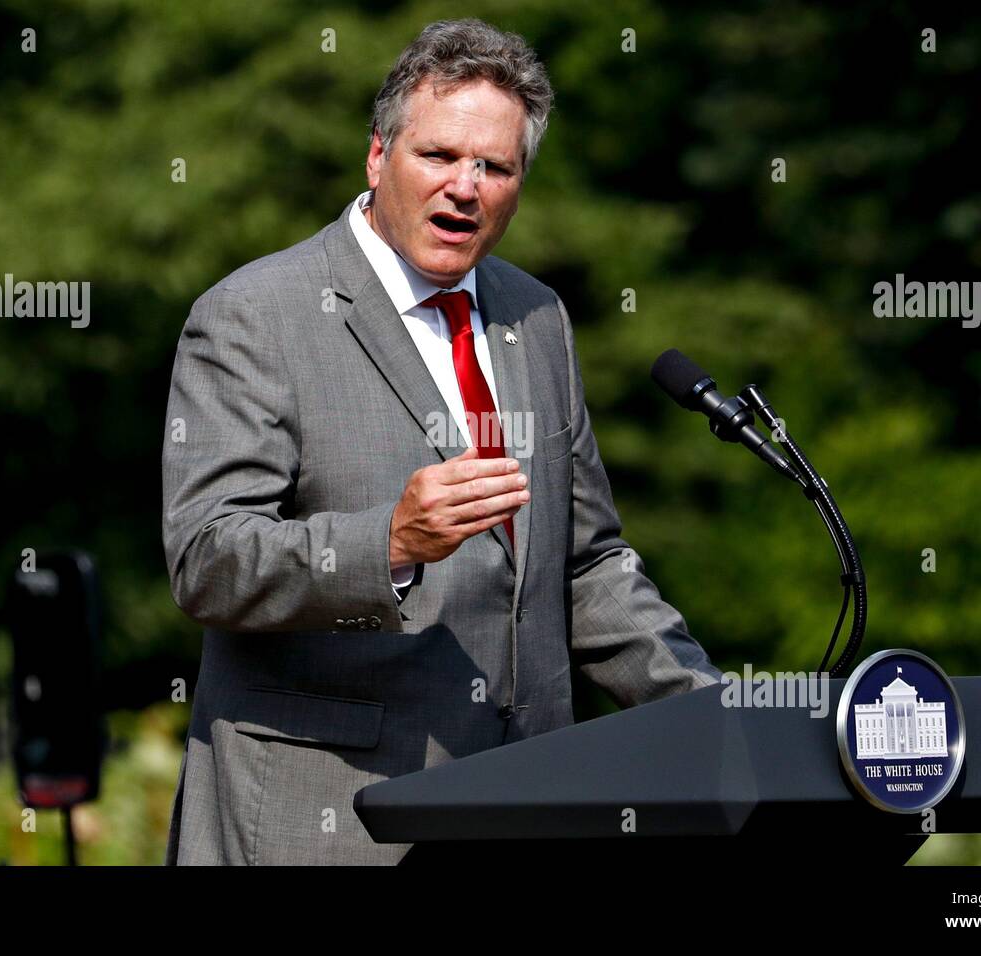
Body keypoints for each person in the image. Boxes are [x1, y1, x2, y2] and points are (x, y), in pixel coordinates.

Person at [161, 17, 723, 865]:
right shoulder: (257, 316)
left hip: (521, 813)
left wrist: (712, 718)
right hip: (329, 822)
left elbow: (588, 566)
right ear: (378, 157)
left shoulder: (534, 317)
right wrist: (386, 544)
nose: (466, 186)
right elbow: (206, 558)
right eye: (439, 156)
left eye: (495, 167)